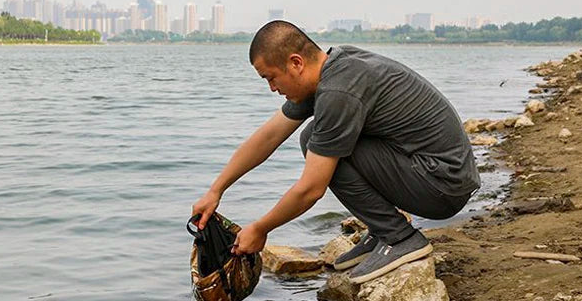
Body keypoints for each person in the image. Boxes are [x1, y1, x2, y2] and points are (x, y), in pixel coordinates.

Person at [192, 21, 480, 284]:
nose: (271, 88)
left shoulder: (339, 90)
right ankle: (383, 231)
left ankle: (400, 237)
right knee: (313, 137)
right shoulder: (332, 68)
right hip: (433, 173)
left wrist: (261, 228)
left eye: (271, 78)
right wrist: (216, 190)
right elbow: (269, 136)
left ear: (295, 63)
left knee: (317, 143)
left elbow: (311, 189)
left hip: (443, 184)